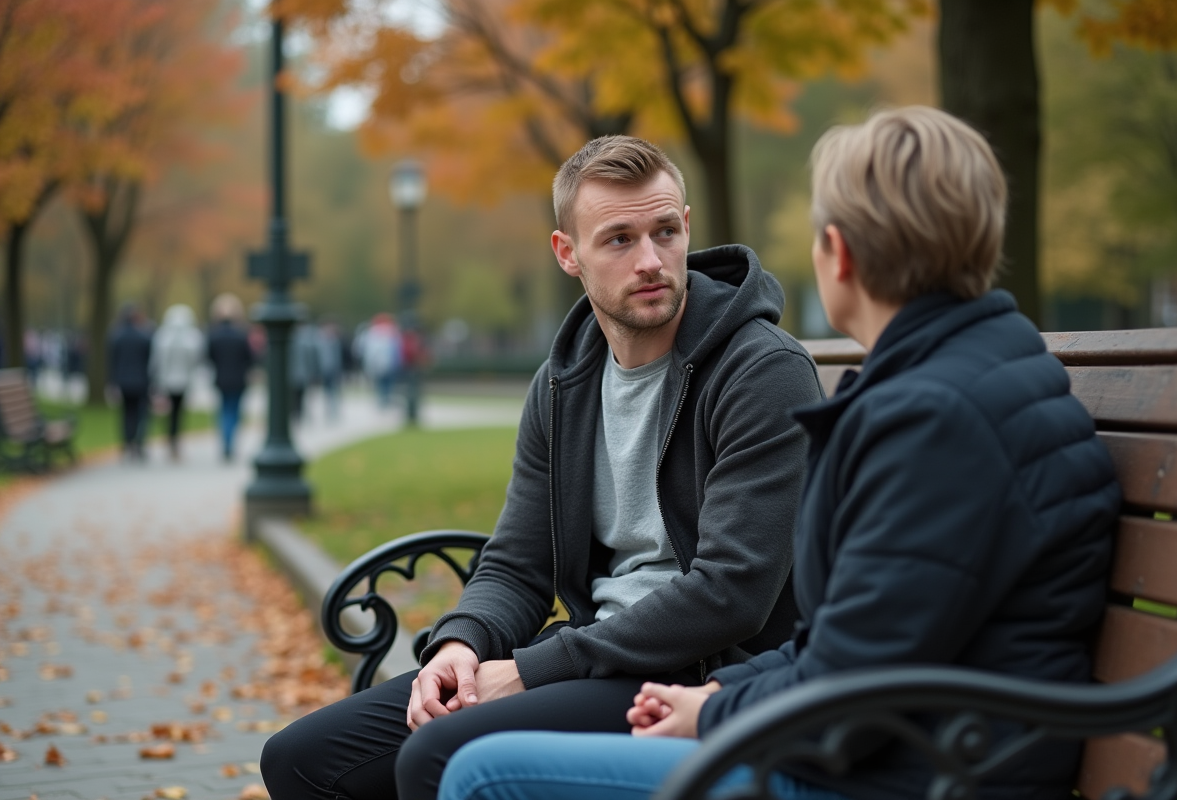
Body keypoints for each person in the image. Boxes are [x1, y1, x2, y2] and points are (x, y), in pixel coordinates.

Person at [435, 106, 1123, 800]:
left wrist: (715, 708)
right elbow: (856, 646)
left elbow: (856, 684)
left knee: (480, 774)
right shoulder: (963, 382)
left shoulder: (936, 417)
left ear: (839, 253)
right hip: (911, 743)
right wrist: (718, 696)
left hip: (916, 773)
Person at [260, 134, 824, 800]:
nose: (651, 260)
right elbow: (517, 563)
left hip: (704, 678)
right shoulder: (563, 383)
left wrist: (528, 670)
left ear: (687, 227)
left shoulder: (760, 372)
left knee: (439, 755)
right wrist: (461, 647)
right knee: (298, 758)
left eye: (665, 231)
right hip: (592, 657)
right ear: (568, 253)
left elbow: (732, 592)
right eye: (618, 239)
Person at [150, 304, 205, 460]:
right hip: (181, 382)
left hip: (170, 381)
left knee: (172, 413)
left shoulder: (163, 336)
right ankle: (174, 440)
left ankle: (172, 440)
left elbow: (158, 361)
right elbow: (195, 361)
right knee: (177, 412)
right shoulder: (192, 337)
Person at [207, 293, 254, 462]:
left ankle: (225, 443)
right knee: (234, 411)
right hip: (239, 379)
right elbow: (250, 358)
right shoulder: (241, 335)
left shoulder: (214, 335)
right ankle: (230, 443)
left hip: (221, 379)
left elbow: (209, 357)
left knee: (223, 410)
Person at [107, 303, 153, 461]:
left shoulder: (116, 336)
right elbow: (149, 360)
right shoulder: (144, 336)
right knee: (141, 414)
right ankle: (139, 444)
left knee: (127, 413)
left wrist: (112, 382)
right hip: (141, 381)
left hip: (124, 382)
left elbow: (112, 361)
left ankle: (127, 443)